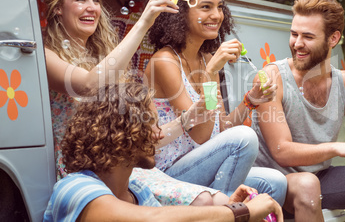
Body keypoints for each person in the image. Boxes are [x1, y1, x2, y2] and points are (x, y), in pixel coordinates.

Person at [43, 0, 235, 206]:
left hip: (122, 164)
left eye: (96, 0)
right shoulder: (45, 55)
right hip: (85, 168)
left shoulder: (107, 59)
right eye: (81, 0)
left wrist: (245, 103)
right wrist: (145, 20)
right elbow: (88, 85)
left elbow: (150, 138)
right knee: (209, 199)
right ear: (58, 8)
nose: (92, 7)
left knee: (222, 199)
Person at [144, 0, 287, 204]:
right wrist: (210, 73)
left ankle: (222, 206)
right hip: (171, 173)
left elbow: (220, 127)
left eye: (220, 7)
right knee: (245, 136)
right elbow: (200, 134)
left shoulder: (206, 58)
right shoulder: (164, 62)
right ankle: (220, 214)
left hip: (203, 162)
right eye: (206, 7)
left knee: (275, 182)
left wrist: (250, 101)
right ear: (180, 12)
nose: (217, 15)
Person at [252, 0, 345, 221]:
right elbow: (281, 151)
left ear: (333, 39)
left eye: (308, 36)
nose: (297, 43)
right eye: (294, 34)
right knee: (308, 184)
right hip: (276, 182)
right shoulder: (271, 78)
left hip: (322, 178)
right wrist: (336, 148)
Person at [43, 82, 284, 222]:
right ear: (122, 133)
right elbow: (153, 220)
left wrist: (227, 207)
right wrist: (239, 212)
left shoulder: (138, 193)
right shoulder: (74, 188)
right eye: (153, 125)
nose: (160, 135)